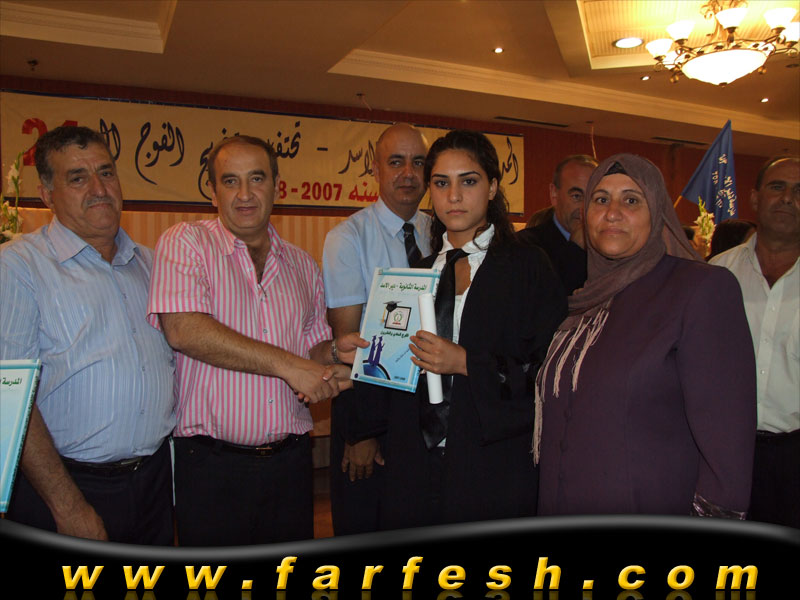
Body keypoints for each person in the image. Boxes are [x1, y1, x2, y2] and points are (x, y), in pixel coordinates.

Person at [147, 134, 364, 546]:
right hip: (211, 467)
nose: (244, 194)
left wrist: (336, 352)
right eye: (230, 181)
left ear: (277, 187)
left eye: (257, 179)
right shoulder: (186, 242)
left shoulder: (302, 264)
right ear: (212, 191)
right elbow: (184, 330)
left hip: (290, 464)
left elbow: (312, 349)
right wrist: (288, 366)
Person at [349, 130, 566, 530]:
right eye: (441, 183)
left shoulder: (527, 267)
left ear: (492, 187)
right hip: (415, 466)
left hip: (492, 464)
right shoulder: (412, 275)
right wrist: (361, 361)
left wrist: (467, 363)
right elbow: (392, 379)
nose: (453, 196)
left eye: (468, 181)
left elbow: (551, 372)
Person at [534, 153, 756, 517]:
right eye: (600, 199)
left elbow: (726, 439)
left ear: (657, 212)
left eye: (631, 200)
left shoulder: (698, 289)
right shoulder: (583, 302)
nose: (612, 213)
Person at [0, 125, 175, 544]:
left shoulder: (153, 265)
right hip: (66, 488)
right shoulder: (19, 266)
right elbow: (10, 397)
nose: (99, 189)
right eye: (77, 178)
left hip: (154, 484)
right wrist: (68, 506)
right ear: (47, 194)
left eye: (106, 172)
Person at [322, 123, 431, 535]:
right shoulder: (347, 238)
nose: (408, 173)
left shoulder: (439, 232)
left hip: (424, 418)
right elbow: (348, 345)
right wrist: (361, 432)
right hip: (368, 416)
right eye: (396, 162)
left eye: (418, 162)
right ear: (375, 168)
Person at [710, 156, 799, 528]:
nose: (788, 198)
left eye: (799, 191)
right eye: (777, 187)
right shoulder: (716, 274)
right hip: (722, 451)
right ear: (755, 198)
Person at [518, 154, 598, 294]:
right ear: (554, 194)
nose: (585, 208)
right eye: (577, 196)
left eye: (595, 198)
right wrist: (575, 250)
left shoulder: (611, 246)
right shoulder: (523, 246)